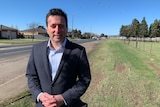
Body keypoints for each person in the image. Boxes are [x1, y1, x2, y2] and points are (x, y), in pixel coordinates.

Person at [26, 8, 91, 107]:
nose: (57, 30)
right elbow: (31, 76)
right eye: (53, 26)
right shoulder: (36, 49)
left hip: (69, 104)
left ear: (66, 28)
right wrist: (40, 95)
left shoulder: (79, 51)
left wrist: (63, 98)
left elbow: (85, 79)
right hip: (43, 104)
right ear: (47, 29)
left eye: (61, 26)